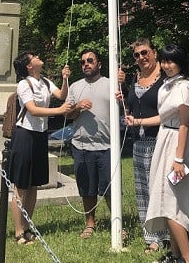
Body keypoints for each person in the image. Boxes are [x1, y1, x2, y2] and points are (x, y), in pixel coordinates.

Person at [127, 44, 189, 263]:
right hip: (164, 140)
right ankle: (176, 256)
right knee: (164, 200)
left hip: (177, 146)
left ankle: (188, 259)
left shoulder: (184, 86)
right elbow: (163, 117)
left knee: (172, 205)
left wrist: (178, 160)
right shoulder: (169, 84)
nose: (167, 66)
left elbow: (184, 125)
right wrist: (137, 121)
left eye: (171, 61)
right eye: (165, 61)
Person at [9, 51, 72, 245]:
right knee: (21, 186)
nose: (38, 57)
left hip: (39, 136)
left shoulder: (44, 81)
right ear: (29, 66)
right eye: (34, 56)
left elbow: (62, 95)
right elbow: (33, 109)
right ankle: (19, 231)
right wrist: (59, 111)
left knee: (34, 184)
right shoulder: (23, 84)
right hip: (25, 135)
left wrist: (65, 79)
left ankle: (28, 227)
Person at [66, 50, 124, 239]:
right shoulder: (75, 87)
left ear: (99, 63)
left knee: (110, 187)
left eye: (90, 61)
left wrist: (122, 87)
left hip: (108, 146)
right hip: (81, 146)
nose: (86, 64)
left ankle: (117, 224)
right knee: (87, 188)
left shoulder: (111, 83)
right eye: (83, 62)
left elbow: (124, 107)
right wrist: (77, 107)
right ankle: (90, 224)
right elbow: (67, 115)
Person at [119, 38, 169, 254]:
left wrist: (139, 121)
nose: (141, 58)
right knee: (143, 191)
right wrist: (123, 100)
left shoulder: (165, 79)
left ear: (154, 52)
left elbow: (168, 115)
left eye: (145, 52)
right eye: (137, 55)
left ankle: (167, 235)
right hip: (139, 144)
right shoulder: (135, 78)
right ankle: (151, 236)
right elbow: (131, 109)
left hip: (160, 141)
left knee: (161, 190)